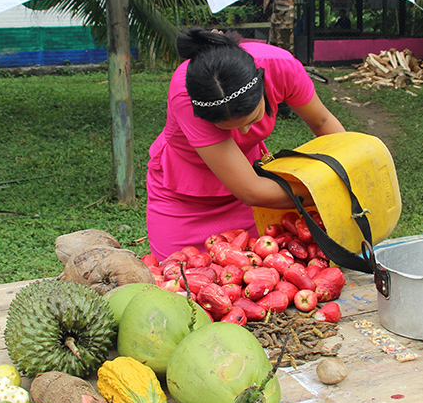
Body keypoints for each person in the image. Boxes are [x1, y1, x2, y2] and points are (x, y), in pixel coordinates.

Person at [146, 28, 345, 260]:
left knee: (258, 274)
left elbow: (322, 122)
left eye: (252, 119)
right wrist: (328, 192)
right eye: (226, 128)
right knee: (180, 283)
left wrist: (347, 171)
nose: (243, 133)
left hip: (256, 189)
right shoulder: (186, 93)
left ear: (263, 84)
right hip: (184, 200)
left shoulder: (280, 66)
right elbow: (250, 191)